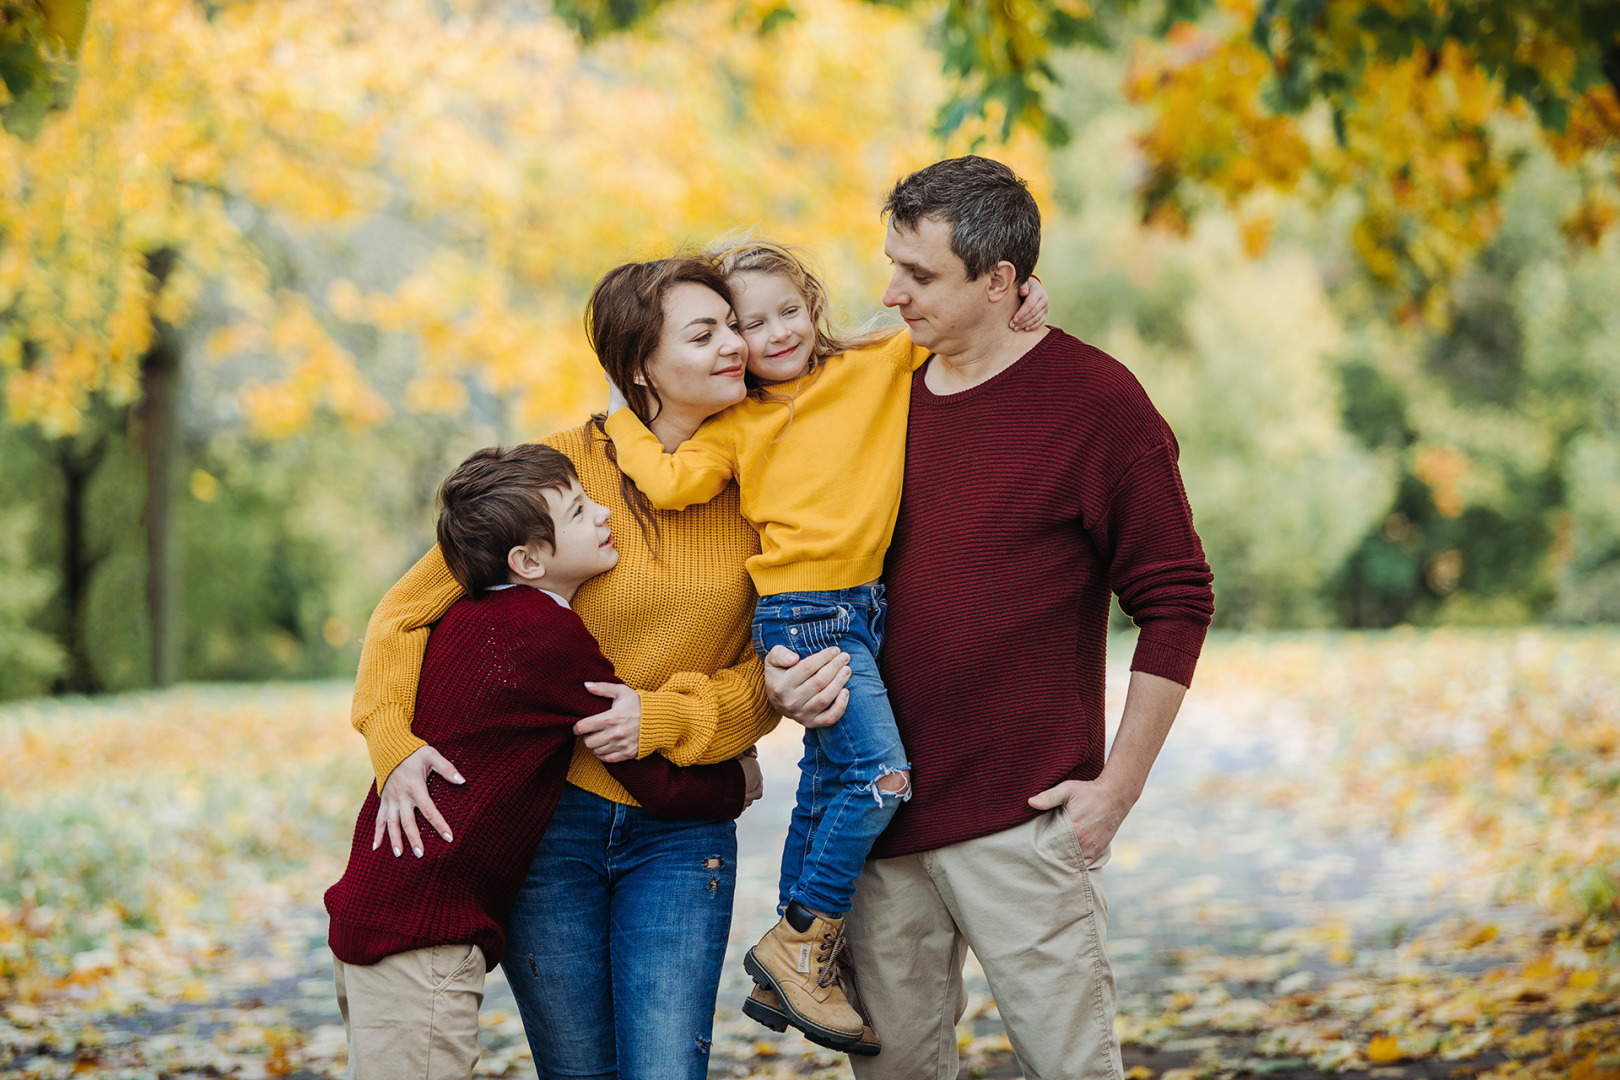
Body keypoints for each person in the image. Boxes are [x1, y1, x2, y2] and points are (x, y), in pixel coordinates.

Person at [763, 156, 1217, 1080]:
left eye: (919, 275)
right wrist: (778, 673)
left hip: (1025, 827)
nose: (890, 294)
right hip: (878, 833)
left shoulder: (1096, 402)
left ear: (1002, 282)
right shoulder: (873, 392)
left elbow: (1175, 598)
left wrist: (1116, 790)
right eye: (890, 264)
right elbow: (789, 558)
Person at [601, 239, 1048, 1054]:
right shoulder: (737, 424)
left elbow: (956, 323)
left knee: (826, 779)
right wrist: (616, 425)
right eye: (746, 323)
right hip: (803, 616)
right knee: (882, 779)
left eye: (787, 312)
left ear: (814, 308)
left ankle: (792, 956)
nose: (771, 334)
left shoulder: (873, 366)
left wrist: (1022, 302)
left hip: (866, 608)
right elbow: (667, 481)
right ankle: (804, 937)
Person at [347, 257, 780, 1080]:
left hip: (682, 830)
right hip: (553, 827)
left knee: (665, 1070)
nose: (737, 343)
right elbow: (403, 615)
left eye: (734, 325)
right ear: (640, 365)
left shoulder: (772, 477)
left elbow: (776, 667)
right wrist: (392, 744)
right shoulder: (555, 478)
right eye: (707, 331)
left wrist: (673, 720)